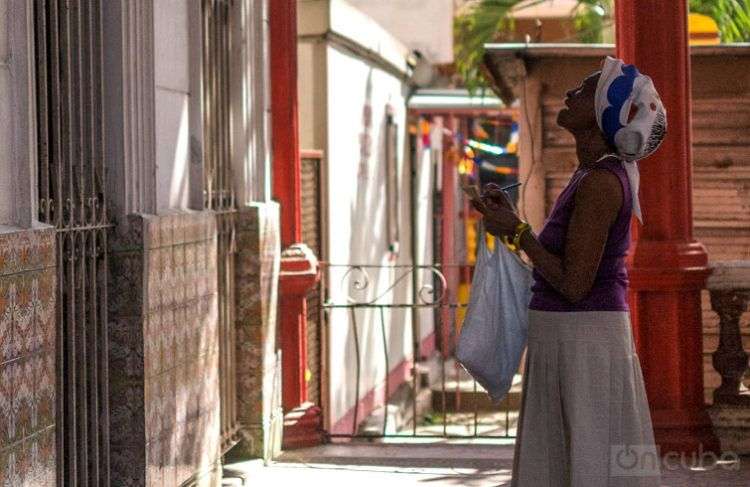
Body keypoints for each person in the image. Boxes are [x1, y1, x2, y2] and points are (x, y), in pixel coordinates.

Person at [474, 56, 667, 486]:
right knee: (572, 461)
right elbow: (564, 265)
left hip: (583, 341)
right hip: (571, 339)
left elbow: (575, 284)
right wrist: (513, 225)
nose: (570, 94)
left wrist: (519, 232)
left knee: (587, 462)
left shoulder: (601, 182)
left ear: (604, 113)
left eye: (583, 89)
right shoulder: (591, 174)